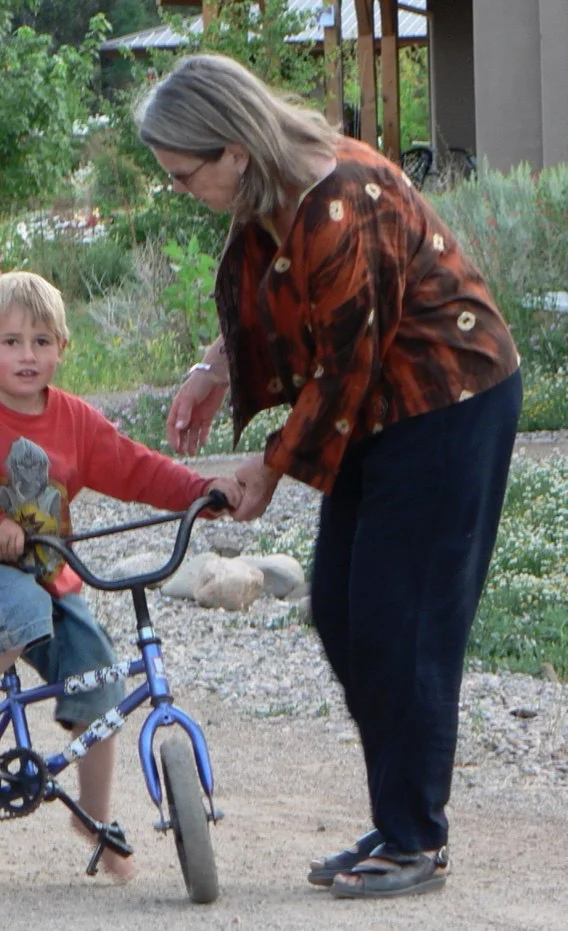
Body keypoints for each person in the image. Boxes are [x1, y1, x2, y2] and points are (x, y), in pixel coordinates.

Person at [135, 54, 522, 899]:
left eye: (183, 172)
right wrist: (213, 367)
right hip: (381, 406)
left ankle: (417, 837)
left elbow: (347, 364)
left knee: (402, 622)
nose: (179, 188)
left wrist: (266, 467)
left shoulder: (338, 200)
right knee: (344, 613)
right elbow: (289, 304)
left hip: (445, 402)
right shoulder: (270, 193)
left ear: (234, 147)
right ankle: (398, 820)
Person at [0, 271, 240, 880]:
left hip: (47, 575)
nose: (26, 355)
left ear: (62, 349)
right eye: (10, 342)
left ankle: (95, 819)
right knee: (21, 605)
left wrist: (201, 491)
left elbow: (136, 469)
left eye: (41, 341)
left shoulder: (75, 421)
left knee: (101, 680)